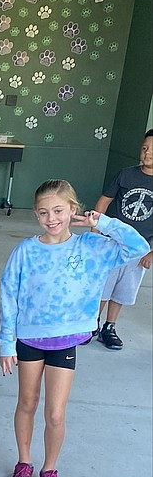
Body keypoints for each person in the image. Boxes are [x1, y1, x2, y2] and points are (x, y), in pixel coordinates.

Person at [0, 179, 149, 477]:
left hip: (65, 340)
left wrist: (103, 222)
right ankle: (24, 462)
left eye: (58, 210)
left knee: (55, 413)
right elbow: (9, 295)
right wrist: (5, 342)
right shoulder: (26, 250)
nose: (51, 218)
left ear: (73, 210)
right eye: (43, 212)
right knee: (27, 402)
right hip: (29, 338)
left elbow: (138, 247)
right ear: (35, 214)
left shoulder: (92, 248)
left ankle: (49, 468)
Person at [88, 129, 153, 349]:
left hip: (139, 249)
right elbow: (104, 202)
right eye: (144, 148)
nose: (147, 153)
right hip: (111, 243)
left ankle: (109, 327)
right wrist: (95, 232)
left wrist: (151, 252)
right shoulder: (126, 174)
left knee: (123, 290)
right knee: (104, 285)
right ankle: (92, 324)